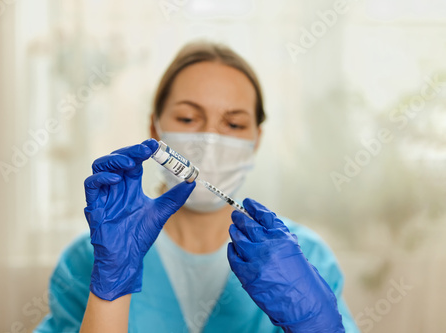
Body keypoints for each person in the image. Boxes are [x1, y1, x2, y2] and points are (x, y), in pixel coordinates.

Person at [34, 41, 359, 333]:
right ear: (154, 127)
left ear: (257, 139)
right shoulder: (95, 255)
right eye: (189, 119)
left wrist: (319, 328)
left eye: (233, 124)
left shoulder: (300, 256)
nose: (210, 141)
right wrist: (110, 289)